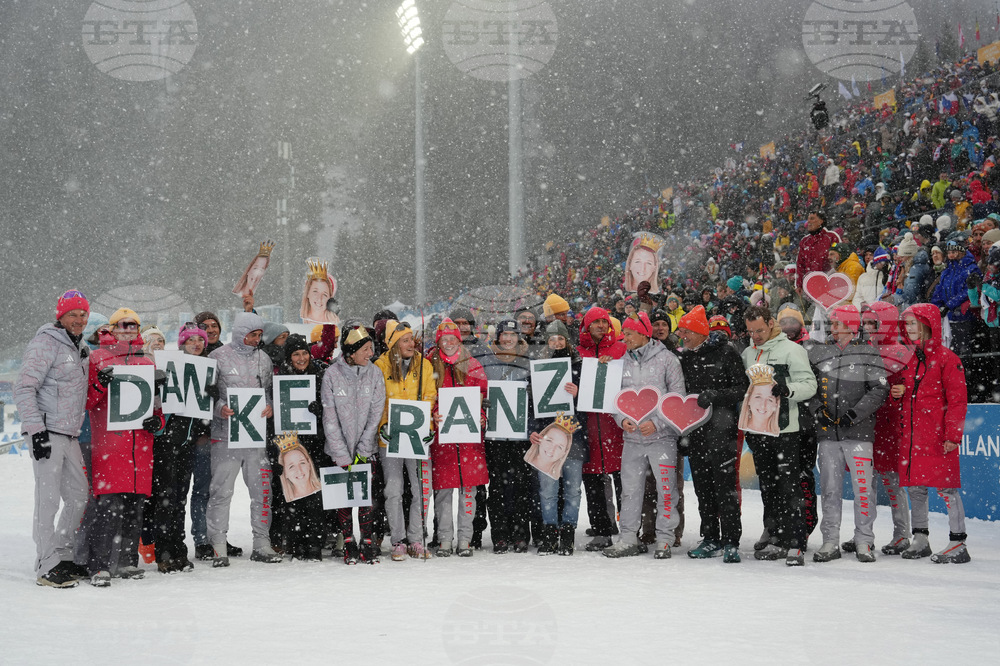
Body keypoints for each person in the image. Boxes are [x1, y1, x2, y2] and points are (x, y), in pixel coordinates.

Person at [13, 289, 92, 588]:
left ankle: (63, 554)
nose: (79, 319)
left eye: (83, 314)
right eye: (73, 314)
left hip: (70, 432)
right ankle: (46, 564)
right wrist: (36, 431)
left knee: (78, 495)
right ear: (60, 316)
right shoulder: (45, 343)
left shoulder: (80, 347)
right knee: (47, 500)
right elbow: (24, 388)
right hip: (48, 432)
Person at [83, 308, 163, 586]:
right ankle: (100, 566)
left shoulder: (147, 361)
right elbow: (87, 402)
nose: (129, 330)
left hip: (140, 447)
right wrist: (99, 385)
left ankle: (127, 562)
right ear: (113, 328)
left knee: (134, 507)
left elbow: (157, 406)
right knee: (108, 509)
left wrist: (157, 421)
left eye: (134, 325)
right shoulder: (97, 357)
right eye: (123, 325)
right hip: (110, 446)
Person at [807, 305, 888, 564]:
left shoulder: (868, 352)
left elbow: (878, 389)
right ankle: (830, 540)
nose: (834, 328)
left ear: (852, 326)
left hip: (859, 433)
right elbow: (809, 385)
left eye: (839, 323)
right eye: (832, 323)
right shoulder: (822, 352)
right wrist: (818, 409)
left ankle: (864, 540)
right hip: (828, 434)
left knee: (863, 489)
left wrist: (855, 414)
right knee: (830, 489)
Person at [603, 312, 686, 560]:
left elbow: (678, 399)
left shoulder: (668, 360)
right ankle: (627, 537)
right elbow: (614, 399)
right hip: (632, 440)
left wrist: (658, 424)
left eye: (628, 333)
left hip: (662, 440)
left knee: (666, 489)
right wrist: (622, 420)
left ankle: (665, 539)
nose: (624, 338)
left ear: (642, 333)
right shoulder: (621, 362)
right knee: (629, 490)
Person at [893, 304, 971, 563]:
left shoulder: (949, 359)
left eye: (914, 323)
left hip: (938, 437)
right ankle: (921, 538)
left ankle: (958, 542)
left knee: (947, 489)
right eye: (907, 324)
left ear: (929, 325)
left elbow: (958, 401)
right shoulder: (908, 359)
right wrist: (898, 394)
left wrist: (952, 435)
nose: (909, 328)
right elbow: (906, 395)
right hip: (914, 436)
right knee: (915, 487)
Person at [741, 304, 817, 566]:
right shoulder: (749, 353)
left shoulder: (792, 350)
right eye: (751, 331)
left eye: (760, 330)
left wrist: (788, 390)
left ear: (772, 323)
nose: (756, 336)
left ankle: (795, 541)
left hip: (786, 430)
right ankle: (773, 534)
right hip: (759, 430)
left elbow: (810, 385)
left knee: (790, 486)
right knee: (769, 486)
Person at [205, 311, 281, 567]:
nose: (256, 340)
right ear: (240, 333)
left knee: (262, 491)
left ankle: (262, 542)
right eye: (251, 335)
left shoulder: (264, 359)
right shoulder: (218, 357)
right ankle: (218, 544)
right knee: (221, 492)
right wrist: (220, 408)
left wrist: (270, 406)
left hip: (255, 436)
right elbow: (207, 395)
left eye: (259, 335)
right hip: (225, 436)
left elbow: (268, 392)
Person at [674, 305, 748, 563]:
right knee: (703, 488)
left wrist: (716, 396)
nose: (681, 335)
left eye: (685, 331)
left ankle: (731, 541)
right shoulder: (683, 357)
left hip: (723, 431)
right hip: (695, 433)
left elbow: (742, 388)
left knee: (725, 488)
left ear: (699, 331)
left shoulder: (726, 352)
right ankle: (711, 538)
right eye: (681, 331)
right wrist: (682, 433)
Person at [147, 322, 210, 574]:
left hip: (188, 443)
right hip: (166, 441)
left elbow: (203, 411)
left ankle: (178, 549)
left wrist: (211, 394)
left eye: (200, 340)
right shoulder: (169, 364)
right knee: (166, 497)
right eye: (191, 340)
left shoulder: (205, 369)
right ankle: (163, 551)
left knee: (180, 497)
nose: (196, 344)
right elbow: (156, 403)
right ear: (181, 343)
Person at [322, 325, 386, 564]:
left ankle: (367, 541)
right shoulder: (331, 375)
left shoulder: (375, 373)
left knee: (366, 496)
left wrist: (364, 447)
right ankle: (348, 540)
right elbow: (330, 418)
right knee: (344, 498)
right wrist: (341, 453)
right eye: (366, 349)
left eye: (372, 349)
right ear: (352, 351)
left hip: (365, 449)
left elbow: (376, 413)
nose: (370, 354)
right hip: (340, 450)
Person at [374, 320, 436, 561]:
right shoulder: (380, 365)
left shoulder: (425, 365)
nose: (411, 344)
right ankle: (398, 539)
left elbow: (430, 396)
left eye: (412, 339)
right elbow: (377, 402)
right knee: (393, 489)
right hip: (390, 437)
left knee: (421, 488)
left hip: (416, 436)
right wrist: (383, 426)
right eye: (405, 340)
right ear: (393, 344)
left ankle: (416, 538)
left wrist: (428, 425)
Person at [428, 319, 489, 557]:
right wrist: (432, 413)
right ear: (439, 342)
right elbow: (427, 395)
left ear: (459, 340)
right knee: (443, 492)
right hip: (443, 439)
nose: (449, 343)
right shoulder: (430, 366)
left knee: (468, 490)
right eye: (444, 339)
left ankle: (465, 538)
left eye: (452, 338)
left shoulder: (472, 365)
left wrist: (482, 416)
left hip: (468, 440)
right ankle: (444, 538)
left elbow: (482, 396)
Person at [271, 333, 330, 559]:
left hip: (315, 445)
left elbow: (332, 407)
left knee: (314, 495)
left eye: (305, 352)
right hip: (289, 446)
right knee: (292, 494)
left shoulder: (320, 374)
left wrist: (321, 410)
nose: (302, 357)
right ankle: (295, 542)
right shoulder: (280, 379)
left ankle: (315, 541)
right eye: (296, 354)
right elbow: (273, 419)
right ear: (289, 357)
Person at [532, 326, 589, 556]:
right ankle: (549, 532)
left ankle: (568, 532)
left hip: (574, 437)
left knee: (573, 488)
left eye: (560, 338)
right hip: (547, 437)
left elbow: (593, 403)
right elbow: (532, 405)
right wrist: (533, 431)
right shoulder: (538, 367)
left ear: (567, 340)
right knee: (548, 489)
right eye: (551, 339)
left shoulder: (580, 367)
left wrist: (580, 394)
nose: (556, 342)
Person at [480, 319, 535, 554]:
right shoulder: (487, 364)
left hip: (520, 436)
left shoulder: (529, 364)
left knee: (522, 487)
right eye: (505, 335)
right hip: (496, 437)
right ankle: (500, 535)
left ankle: (521, 534)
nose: (509, 339)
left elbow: (539, 399)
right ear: (498, 338)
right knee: (498, 488)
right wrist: (482, 401)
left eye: (513, 334)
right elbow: (479, 389)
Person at [575, 307, 626, 551]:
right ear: (587, 326)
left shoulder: (620, 350)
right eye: (595, 323)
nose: (601, 327)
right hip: (587, 428)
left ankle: (628, 529)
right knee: (592, 481)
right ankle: (601, 529)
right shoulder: (577, 353)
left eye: (604, 322)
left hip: (614, 426)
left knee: (623, 481)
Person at [191, 311, 231, 560]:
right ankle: (201, 538)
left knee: (220, 490)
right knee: (202, 489)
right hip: (201, 434)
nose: (211, 329)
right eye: (204, 326)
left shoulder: (225, 355)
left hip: (223, 432)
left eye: (214, 325)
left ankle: (219, 537)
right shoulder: (192, 357)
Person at [275, 433, 325, 561]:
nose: (299, 470)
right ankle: (296, 544)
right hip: (282, 431)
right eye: (291, 467)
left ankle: (314, 543)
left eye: (302, 463)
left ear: (309, 463)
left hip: (311, 435)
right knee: (290, 506)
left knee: (315, 503)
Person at [795, 210, 839, 295]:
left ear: (821, 221)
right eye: (808, 219)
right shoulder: (805, 241)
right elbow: (800, 264)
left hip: (829, 285)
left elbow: (839, 259)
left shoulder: (831, 237)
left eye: (812, 219)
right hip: (810, 287)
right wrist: (799, 284)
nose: (809, 222)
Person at [300, 259, 340, 326]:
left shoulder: (334, 324)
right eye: (315, 291)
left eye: (325, 295)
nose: (319, 298)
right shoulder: (298, 321)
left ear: (330, 299)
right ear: (307, 293)